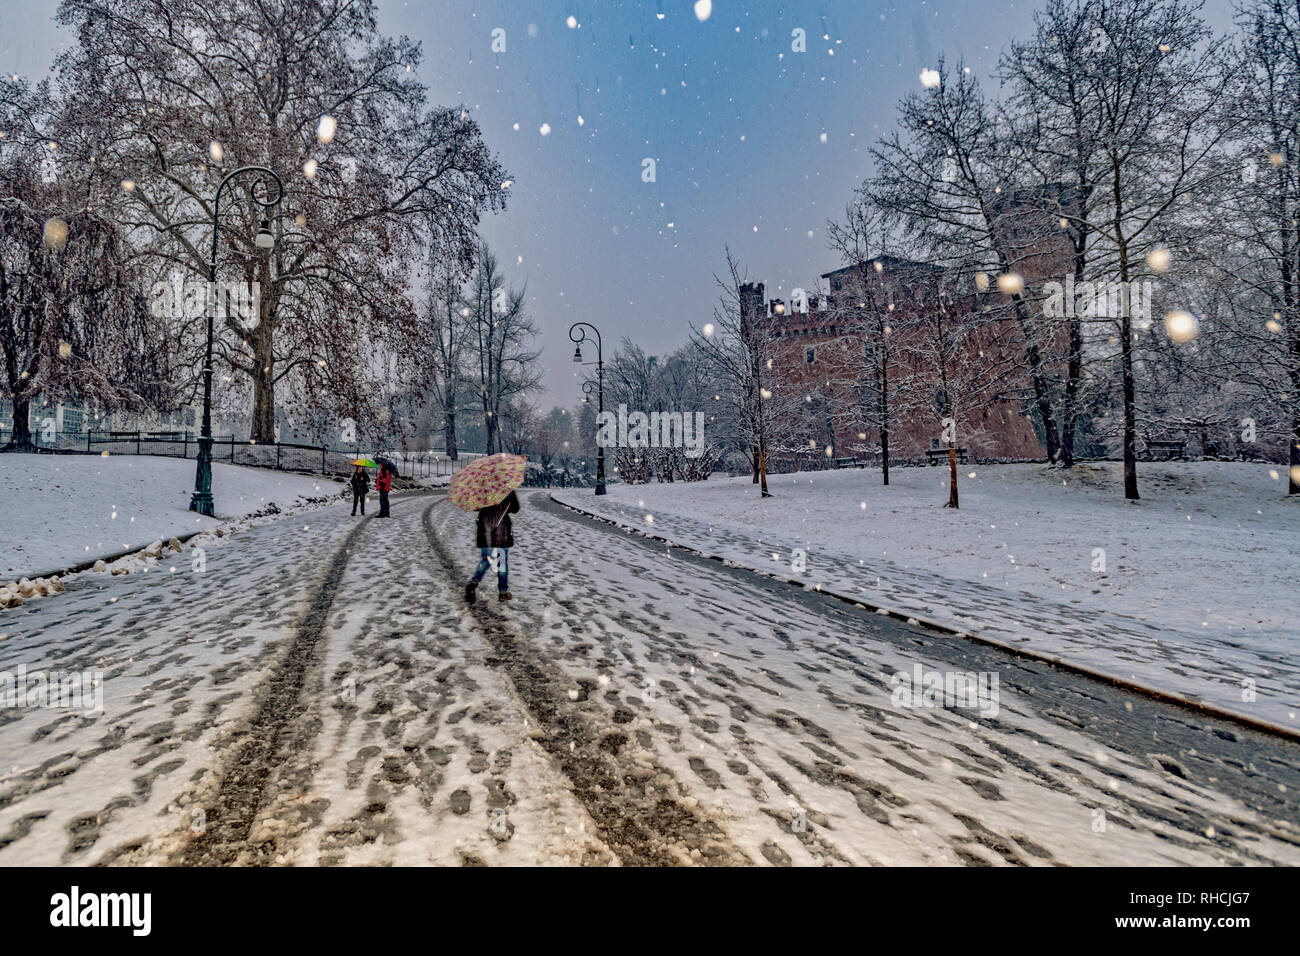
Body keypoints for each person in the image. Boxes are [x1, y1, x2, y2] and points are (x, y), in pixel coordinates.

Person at [466, 490, 519, 602]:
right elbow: (515, 508)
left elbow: (474, 507)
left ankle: (474, 582)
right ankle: (503, 592)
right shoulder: (507, 488)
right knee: (502, 562)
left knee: (487, 559)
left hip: (486, 530)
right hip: (501, 531)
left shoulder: (482, 488)